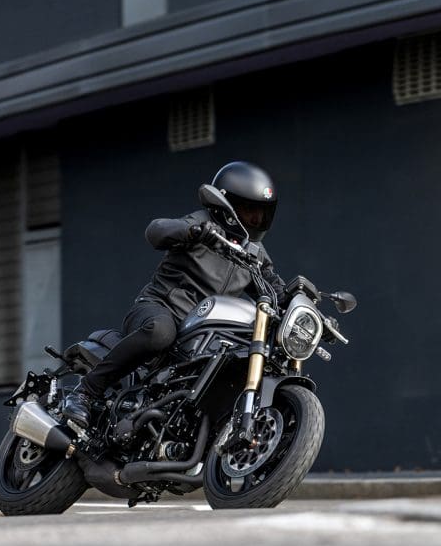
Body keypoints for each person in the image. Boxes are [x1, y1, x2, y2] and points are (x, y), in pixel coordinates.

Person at [62, 161, 287, 427]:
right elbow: (155, 231)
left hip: (203, 335)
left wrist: (302, 301)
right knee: (160, 332)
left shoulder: (255, 254)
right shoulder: (202, 223)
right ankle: (85, 393)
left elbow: (275, 289)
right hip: (159, 309)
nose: (256, 220)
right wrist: (192, 232)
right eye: (250, 211)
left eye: (261, 213)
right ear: (229, 207)